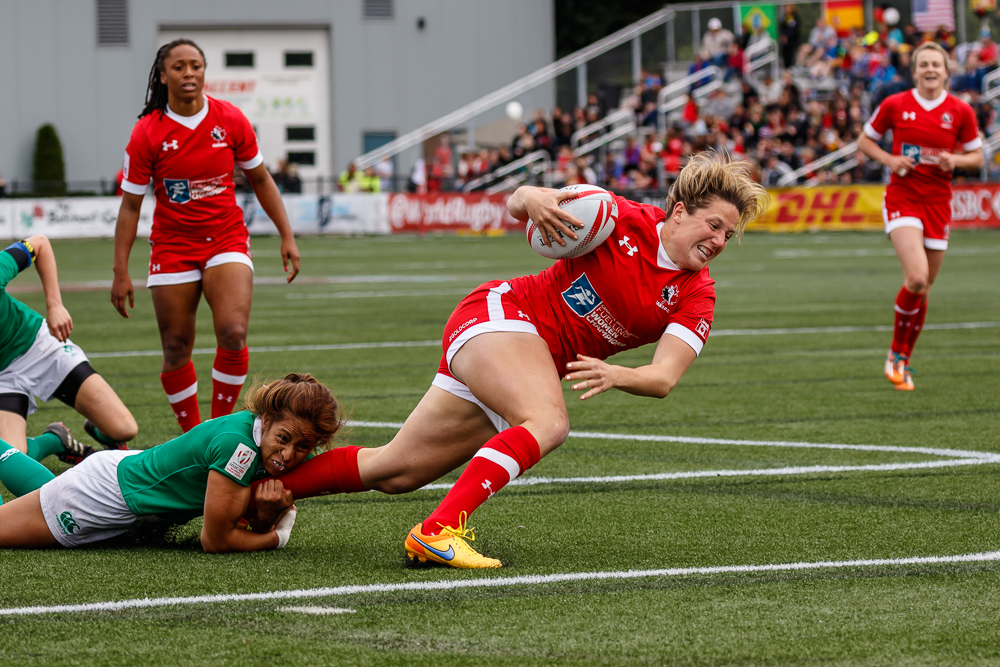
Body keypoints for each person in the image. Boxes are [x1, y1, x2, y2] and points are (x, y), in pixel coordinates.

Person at [245, 153, 768, 569]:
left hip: (520, 356)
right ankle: (438, 532)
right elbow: (522, 198)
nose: (719, 241)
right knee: (548, 421)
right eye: (714, 225)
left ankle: (253, 494)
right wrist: (533, 202)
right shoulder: (618, 216)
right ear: (680, 211)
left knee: (396, 470)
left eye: (729, 234)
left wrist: (619, 373)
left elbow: (664, 377)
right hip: (500, 317)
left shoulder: (697, 292)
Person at [111, 39, 301, 433]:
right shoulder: (147, 133)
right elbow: (130, 207)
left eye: (196, 66)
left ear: (204, 71)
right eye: (179, 67)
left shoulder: (230, 119)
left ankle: (217, 431)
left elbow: (262, 179)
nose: (189, 74)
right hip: (172, 245)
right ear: (163, 76)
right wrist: (120, 271)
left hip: (226, 238)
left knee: (233, 332)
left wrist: (287, 235)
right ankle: (193, 439)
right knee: (176, 346)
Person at [0, 373, 341, 551]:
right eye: (284, 439)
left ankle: (50, 442)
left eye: (303, 447)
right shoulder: (240, 448)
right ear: (265, 421)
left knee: (38, 497)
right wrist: (275, 536)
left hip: (119, 477)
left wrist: (265, 517)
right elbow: (216, 540)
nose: (289, 455)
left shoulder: (253, 432)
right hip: (99, 498)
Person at [856, 42, 983, 391]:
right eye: (923, 64)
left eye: (936, 64)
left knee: (924, 289)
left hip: (939, 203)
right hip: (903, 198)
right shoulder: (895, 104)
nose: (930, 69)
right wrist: (890, 160)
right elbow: (865, 141)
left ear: (946, 71)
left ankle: (903, 361)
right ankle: (895, 352)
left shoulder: (961, 110)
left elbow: (977, 157)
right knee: (916, 277)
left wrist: (954, 161)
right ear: (915, 71)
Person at [0, 235, 137, 476]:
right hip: (3, 377)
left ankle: (101, 429)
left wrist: (54, 305)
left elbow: (40, 243)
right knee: (11, 460)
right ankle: (55, 440)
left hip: (40, 348)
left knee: (124, 429)